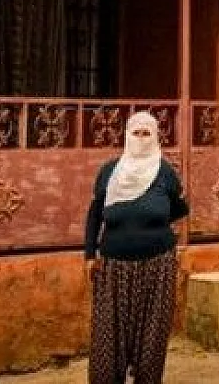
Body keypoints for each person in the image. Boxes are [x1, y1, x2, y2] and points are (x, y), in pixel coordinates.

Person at [83, 110, 188, 384]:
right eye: (136, 133)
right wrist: (89, 255)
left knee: (153, 332)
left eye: (147, 133)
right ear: (127, 135)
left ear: (155, 137)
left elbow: (180, 207)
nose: (141, 138)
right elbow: (94, 214)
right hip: (113, 266)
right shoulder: (109, 172)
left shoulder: (165, 172)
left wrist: (152, 223)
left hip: (158, 265)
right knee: (109, 332)